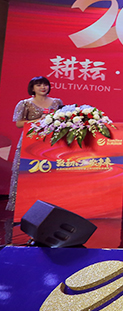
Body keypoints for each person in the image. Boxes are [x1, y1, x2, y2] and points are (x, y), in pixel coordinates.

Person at [8, 76, 63, 212]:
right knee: (26, 172)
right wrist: (38, 120)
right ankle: (22, 205)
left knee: (49, 172)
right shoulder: (25, 103)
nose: (43, 87)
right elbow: (19, 123)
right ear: (32, 88)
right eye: (38, 85)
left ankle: (49, 203)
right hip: (30, 141)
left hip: (50, 142)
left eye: (45, 85)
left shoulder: (57, 102)